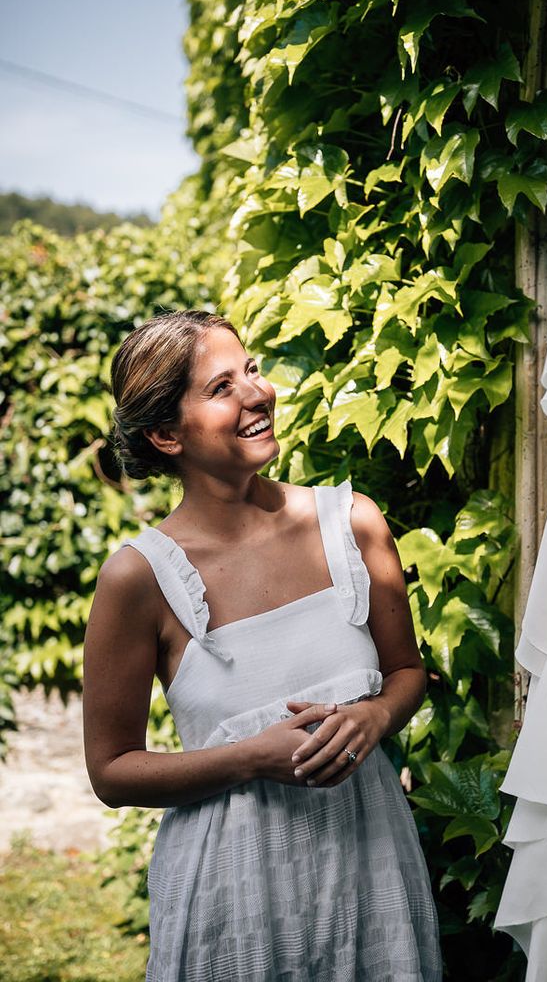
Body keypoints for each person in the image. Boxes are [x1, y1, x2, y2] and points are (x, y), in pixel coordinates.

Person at [83, 309, 443, 981]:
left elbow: (406, 672)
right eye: (222, 387)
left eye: (250, 369)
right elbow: (112, 771)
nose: (258, 392)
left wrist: (374, 716)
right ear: (166, 434)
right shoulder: (139, 577)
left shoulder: (353, 524)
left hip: (369, 862)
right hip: (232, 891)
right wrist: (250, 757)